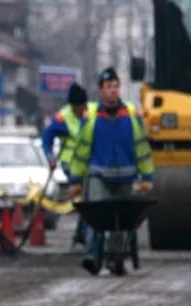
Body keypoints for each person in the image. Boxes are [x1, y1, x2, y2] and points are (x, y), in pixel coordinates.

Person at [68, 67, 154, 275]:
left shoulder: (131, 115)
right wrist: (76, 181)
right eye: (108, 87)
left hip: (126, 176)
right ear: (101, 90)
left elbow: (142, 149)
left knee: (124, 220)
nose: (113, 91)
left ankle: (119, 257)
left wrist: (147, 178)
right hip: (99, 176)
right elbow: (81, 151)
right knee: (97, 219)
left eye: (115, 86)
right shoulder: (91, 118)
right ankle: (92, 256)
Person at [41, 83, 90, 246]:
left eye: (82, 106)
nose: (80, 110)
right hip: (71, 162)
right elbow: (47, 138)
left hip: (90, 161)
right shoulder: (62, 118)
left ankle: (82, 231)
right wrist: (50, 157)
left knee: (89, 198)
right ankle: (83, 232)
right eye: (77, 107)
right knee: (84, 196)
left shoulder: (91, 114)